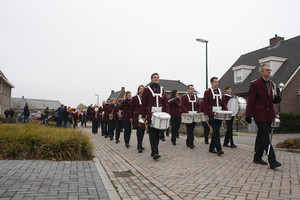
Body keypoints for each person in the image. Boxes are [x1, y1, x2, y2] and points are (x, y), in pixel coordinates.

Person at [245, 63, 282, 169]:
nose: (269, 72)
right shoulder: (255, 84)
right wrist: (248, 114)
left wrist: (276, 100)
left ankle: (257, 157)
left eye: (270, 70)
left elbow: (272, 99)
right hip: (259, 114)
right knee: (266, 136)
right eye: (267, 70)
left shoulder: (272, 84)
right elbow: (251, 100)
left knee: (262, 136)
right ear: (261, 72)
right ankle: (272, 160)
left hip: (268, 113)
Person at [141, 73, 169, 160]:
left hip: (160, 115)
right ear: (151, 79)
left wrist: (168, 113)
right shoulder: (147, 89)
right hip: (151, 114)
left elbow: (165, 102)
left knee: (158, 134)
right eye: (155, 77)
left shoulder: (162, 89)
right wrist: (143, 115)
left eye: (157, 77)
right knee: (152, 133)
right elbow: (144, 103)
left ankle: (154, 151)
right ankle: (155, 152)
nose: (156, 79)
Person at [203, 77, 227, 156]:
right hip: (211, 114)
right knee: (216, 131)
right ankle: (219, 149)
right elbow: (205, 104)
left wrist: (226, 112)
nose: (217, 83)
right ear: (211, 82)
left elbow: (223, 103)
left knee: (216, 131)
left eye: (217, 82)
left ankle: (211, 148)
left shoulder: (220, 91)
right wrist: (206, 115)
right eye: (215, 82)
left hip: (219, 113)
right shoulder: (207, 92)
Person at [181, 85, 201, 149]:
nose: (192, 90)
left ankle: (188, 142)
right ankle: (191, 143)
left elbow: (198, 105)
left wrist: (198, 111)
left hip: (194, 115)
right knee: (189, 129)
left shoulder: (196, 97)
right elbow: (182, 105)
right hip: (188, 115)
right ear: (188, 90)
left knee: (192, 129)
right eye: (191, 89)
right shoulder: (184, 97)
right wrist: (187, 112)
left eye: (193, 89)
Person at [131, 85, 146, 153]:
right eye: (140, 89)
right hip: (137, 116)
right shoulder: (134, 98)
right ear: (138, 90)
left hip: (144, 116)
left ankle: (141, 144)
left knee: (142, 131)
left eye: (143, 89)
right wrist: (131, 117)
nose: (142, 90)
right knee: (139, 131)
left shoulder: (146, 98)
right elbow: (132, 108)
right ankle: (139, 145)